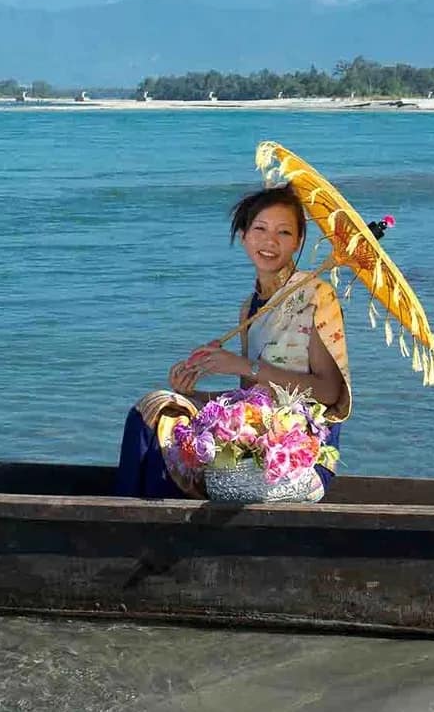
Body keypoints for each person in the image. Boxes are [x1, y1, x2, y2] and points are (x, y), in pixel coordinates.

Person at [114, 182, 351, 499]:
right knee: (156, 412)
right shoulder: (249, 307)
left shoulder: (316, 296)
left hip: (299, 449)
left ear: (298, 242)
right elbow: (252, 397)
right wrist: (194, 393)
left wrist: (243, 364)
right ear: (244, 236)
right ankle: (138, 523)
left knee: (160, 422)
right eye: (260, 229)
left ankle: (137, 527)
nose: (270, 241)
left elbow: (329, 391)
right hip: (258, 430)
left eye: (284, 233)